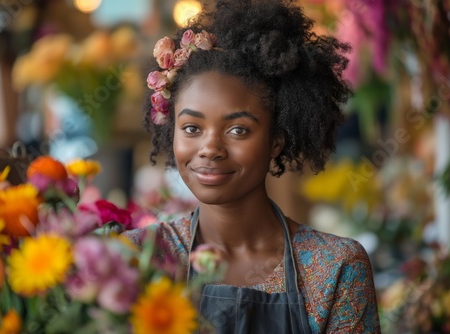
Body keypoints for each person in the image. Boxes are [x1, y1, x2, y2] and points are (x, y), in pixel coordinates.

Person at [125, 0, 381, 332]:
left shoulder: (337, 267)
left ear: (276, 139)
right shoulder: (135, 260)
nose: (210, 149)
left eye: (237, 130)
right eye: (191, 128)